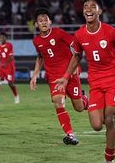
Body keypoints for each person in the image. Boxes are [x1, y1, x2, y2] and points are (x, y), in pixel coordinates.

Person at [53, 0, 115, 163]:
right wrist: (66, 77)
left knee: (109, 118)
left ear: (100, 11)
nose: (88, 9)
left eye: (92, 6)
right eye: (85, 7)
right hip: (96, 82)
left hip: (114, 79)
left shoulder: (111, 31)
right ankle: (91, 103)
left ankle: (109, 158)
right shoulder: (79, 35)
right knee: (97, 125)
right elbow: (76, 56)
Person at [30, 8, 88, 145]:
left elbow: (75, 46)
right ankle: (70, 134)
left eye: (46, 20)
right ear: (36, 25)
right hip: (54, 77)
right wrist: (35, 75)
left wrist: (75, 65)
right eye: (40, 20)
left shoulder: (59, 33)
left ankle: (85, 99)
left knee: (79, 108)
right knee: (58, 102)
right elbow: (40, 57)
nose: (43, 22)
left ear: (50, 21)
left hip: (70, 73)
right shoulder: (36, 41)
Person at [0, 32, 20, 104]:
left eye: (3, 37)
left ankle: (16, 97)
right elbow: (1, 57)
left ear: (6, 38)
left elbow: (11, 57)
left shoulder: (9, 45)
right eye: (0, 37)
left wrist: (5, 63)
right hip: (1, 67)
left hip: (9, 67)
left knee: (10, 83)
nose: (1, 39)